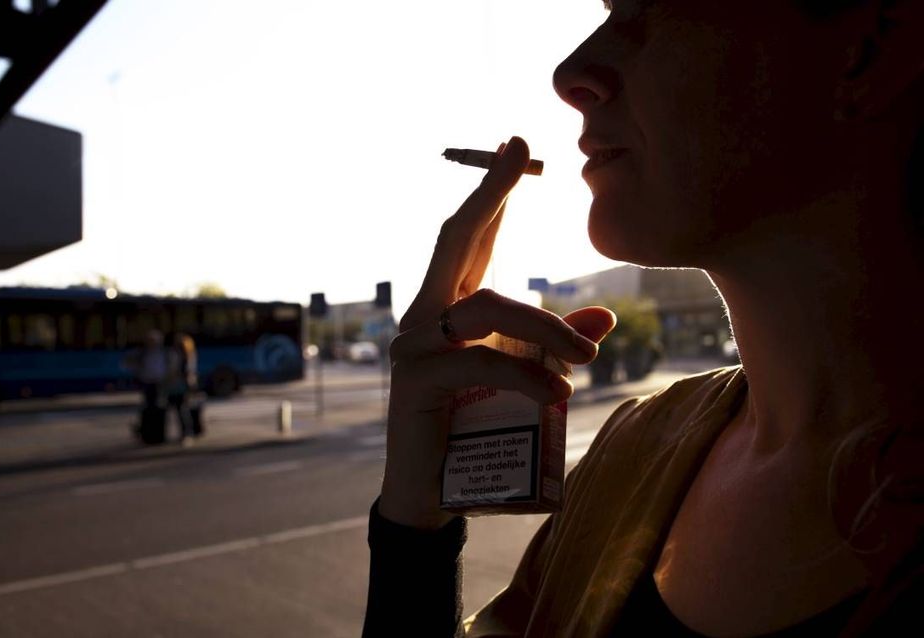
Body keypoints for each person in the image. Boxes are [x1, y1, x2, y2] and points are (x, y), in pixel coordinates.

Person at [363, 1, 924, 636]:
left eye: (650, 7)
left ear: (871, 47)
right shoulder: (634, 449)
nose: (572, 74)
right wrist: (414, 519)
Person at [167, 332, 200, 446]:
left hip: (182, 386)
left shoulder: (186, 356)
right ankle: (185, 433)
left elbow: (188, 372)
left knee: (183, 410)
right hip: (176, 386)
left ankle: (187, 434)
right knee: (180, 410)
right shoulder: (182, 354)